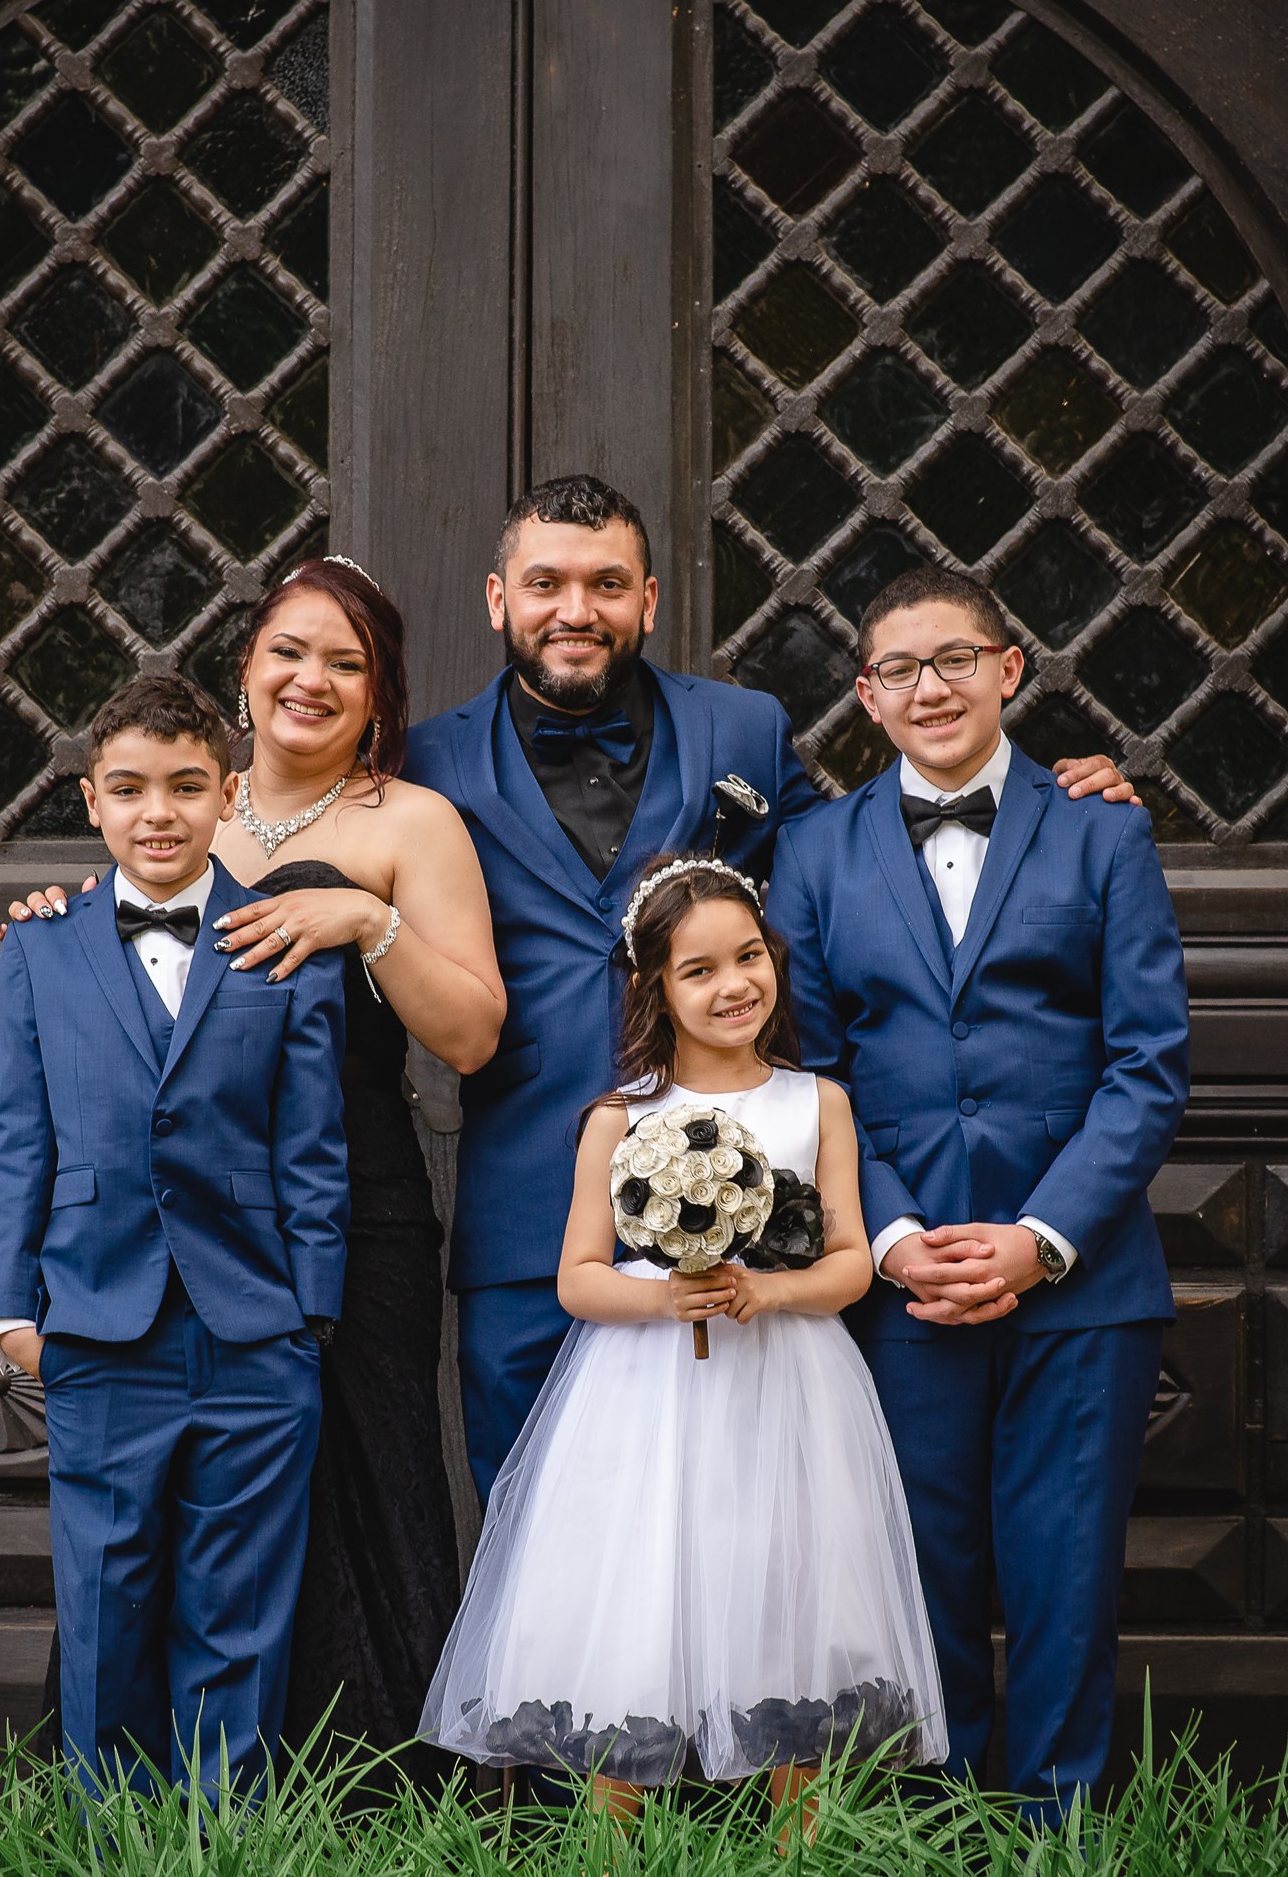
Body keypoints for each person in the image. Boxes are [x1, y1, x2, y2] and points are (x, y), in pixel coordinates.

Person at [402, 474, 1138, 1502]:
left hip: (744, 1224)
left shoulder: (740, 731)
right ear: (497, 599)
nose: (576, 609)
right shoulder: (422, 758)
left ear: (648, 601)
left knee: (732, 1531)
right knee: (535, 1532)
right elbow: (302, 830)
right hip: (530, 1214)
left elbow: (865, 860)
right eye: (546, 583)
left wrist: (1046, 807)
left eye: (606, 583)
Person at [3, 558, 504, 1785]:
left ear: (379, 688)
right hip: (147, 1250)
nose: (311, 679)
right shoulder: (181, 811)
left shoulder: (410, 821)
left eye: (345, 661)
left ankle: (358, 1793)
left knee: (344, 1504)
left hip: (343, 1217)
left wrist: (367, 923)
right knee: (146, 1539)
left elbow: (475, 1033)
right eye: (289, 649)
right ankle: (135, 1810)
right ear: (244, 668)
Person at [765, 567, 1190, 1825]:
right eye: (898, 668)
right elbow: (806, 1069)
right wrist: (891, 1239)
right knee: (920, 1573)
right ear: (864, 698)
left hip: (1080, 1280)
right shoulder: (812, 848)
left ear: (1008, 670)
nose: (928, 686)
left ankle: (1056, 1849)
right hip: (900, 1284)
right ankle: (935, 1843)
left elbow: (1146, 1062)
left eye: (954, 659)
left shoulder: (1099, 830)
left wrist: (1040, 1235)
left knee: (1063, 1580)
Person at [422, 855, 948, 1822]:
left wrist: (769, 1290)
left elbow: (849, 1262)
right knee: (640, 1604)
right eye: (698, 970)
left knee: (792, 1605)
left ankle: (804, 1863)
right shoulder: (623, 1117)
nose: (733, 985)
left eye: (749, 957)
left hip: (789, 1388)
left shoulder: (815, 1103)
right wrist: (669, 1299)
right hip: (648, 1398)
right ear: (655, 987)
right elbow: (578, 1279)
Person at [0, 674, 347, 1803]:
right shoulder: (40, 949)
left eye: (187, 787)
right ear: (92, 800)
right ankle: (114, 1857)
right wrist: (9, 1309)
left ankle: (222, 1852)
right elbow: (17, 1136)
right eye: (130, 788)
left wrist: (310, 1312)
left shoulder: (277, 940)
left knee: (236, 1605)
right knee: (107, 1599)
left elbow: (312, 1146)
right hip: (96, 1324)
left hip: (253, 1329)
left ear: (227, 793)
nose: (158, 812)